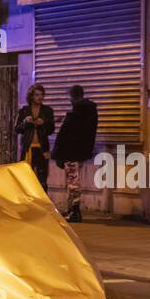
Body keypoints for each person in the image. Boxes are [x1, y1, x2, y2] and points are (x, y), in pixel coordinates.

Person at [52, 85, 99, 222]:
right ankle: (72, 209)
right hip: (79, 151)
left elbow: (65, 135)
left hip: (71, 152)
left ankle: (74, 211)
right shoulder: (88, 112)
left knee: (73, 182)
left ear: (72, 96)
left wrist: (58, 154)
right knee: (74, 182)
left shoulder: (76, 114)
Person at [14, 84, 54, 190]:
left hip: (42, 148)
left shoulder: (47, 111)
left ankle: (43, 204)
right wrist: (25, 122)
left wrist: (43, 123)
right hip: (28, 149)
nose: (40, 97)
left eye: (41, 95)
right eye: (37, 95)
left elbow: (51, 130)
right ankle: (28, 204)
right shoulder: (24, 111)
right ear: (31, 96)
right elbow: (17, 129)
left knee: (42, 180)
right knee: (26, 180)